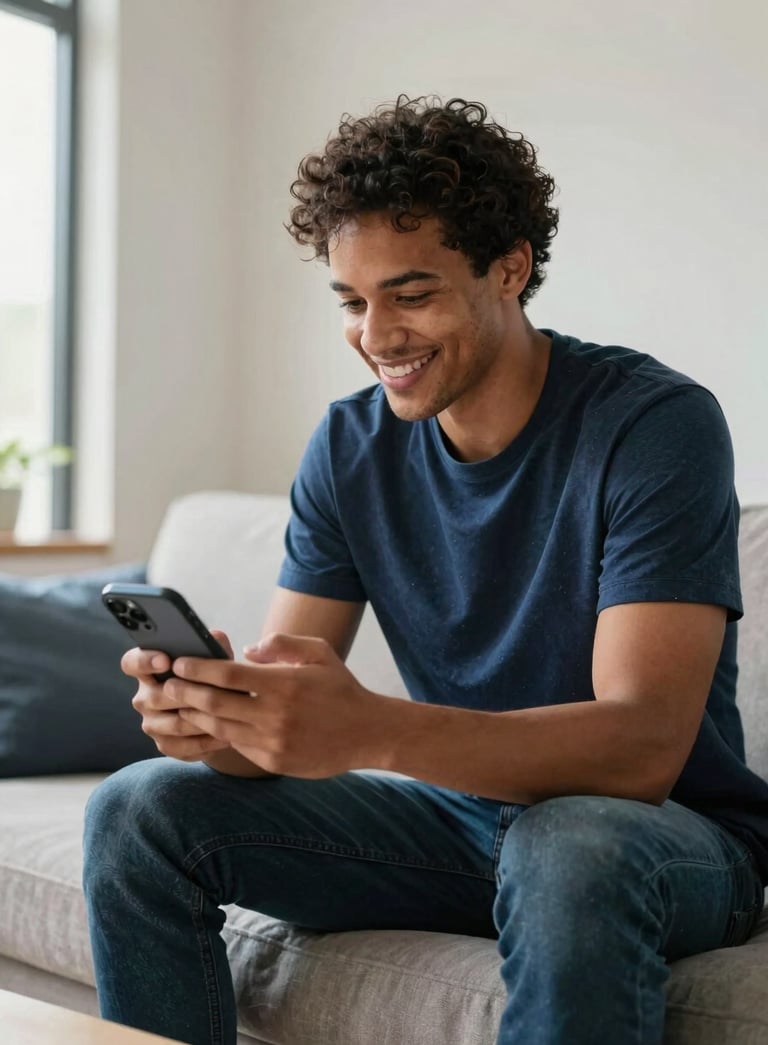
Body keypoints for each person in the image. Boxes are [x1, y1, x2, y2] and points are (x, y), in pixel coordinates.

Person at [82, 96, 768, 1045]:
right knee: (137, 809)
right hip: (459, 826)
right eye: (352, 302)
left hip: (661, 841)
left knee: (570, 842)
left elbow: (642, 750)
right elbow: (290, 709)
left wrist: (369, 729)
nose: (377, 335)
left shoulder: (653, 426)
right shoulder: (348, 444)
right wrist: (221, 719)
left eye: (411, 295)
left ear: (510, 269)